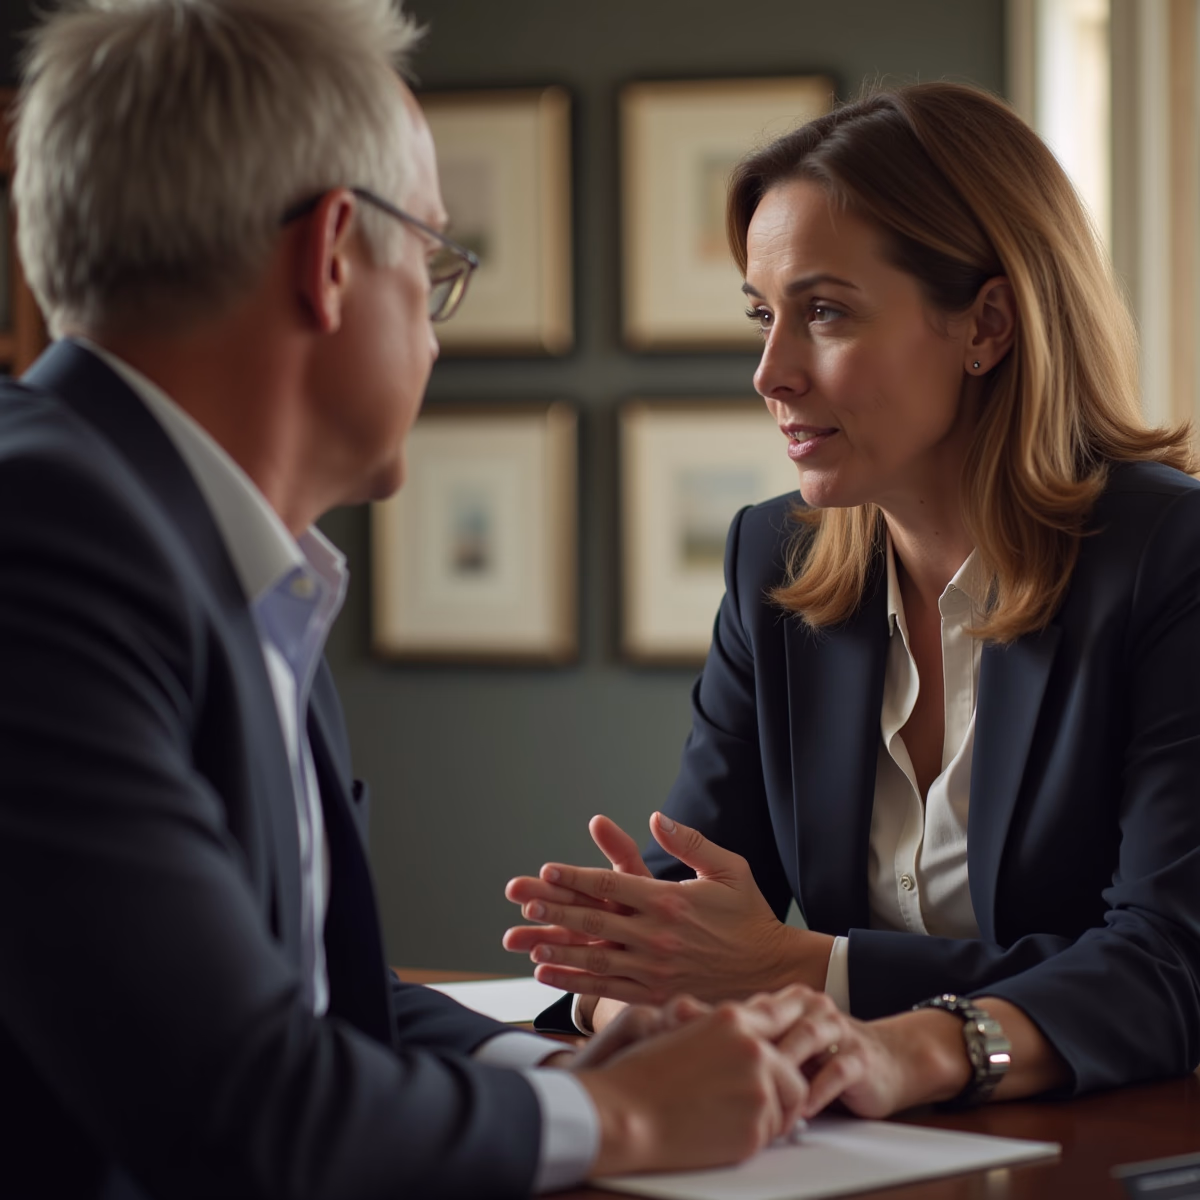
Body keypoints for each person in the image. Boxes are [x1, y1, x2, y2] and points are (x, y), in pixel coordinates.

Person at [0, 2, 834, 1196]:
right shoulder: (48, 540)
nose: (438, 340)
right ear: (332, 255)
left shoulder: (211, 544)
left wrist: (566, 1067)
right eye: (434, 262)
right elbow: (239, 1109)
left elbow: (307, 1000)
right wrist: (620, 1121)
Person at [506, 81, 1200, 1108]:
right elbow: (690, 914)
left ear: (987, 326)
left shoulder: (1170, 557)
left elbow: (1168, 966)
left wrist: (822, 983)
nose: (770, 372)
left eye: (824, 311)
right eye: (762, 315)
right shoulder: (773, 563)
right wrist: (626, 983)